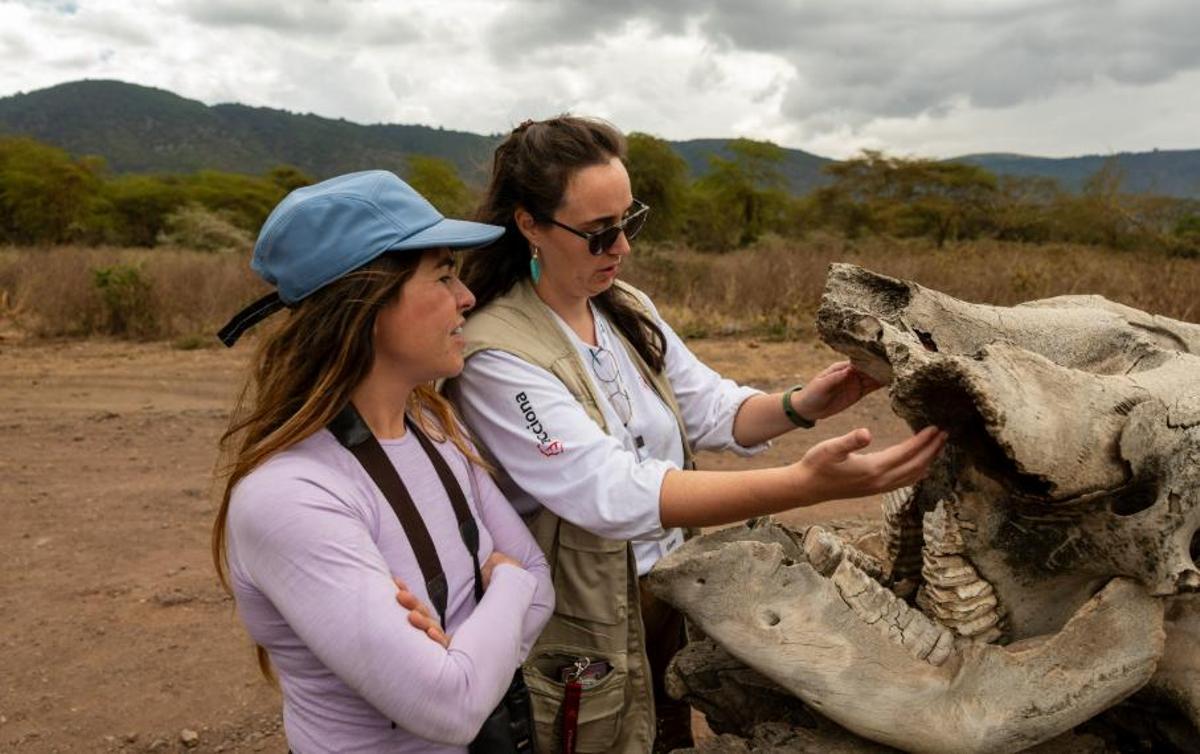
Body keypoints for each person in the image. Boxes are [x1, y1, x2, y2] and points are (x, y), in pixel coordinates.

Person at [448, 116, 947, 753]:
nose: (622, 248)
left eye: (630, 221)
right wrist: (801, 485)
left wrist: (803, 404)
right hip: (582, 617)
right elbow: (611, 493)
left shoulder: (623, 307)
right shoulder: (497, 355)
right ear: (529, 225)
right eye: (600, 234)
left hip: (667, 596)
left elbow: (710, 408)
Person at [212, 170, 554, 753]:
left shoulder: (434, 427)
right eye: (444, 275)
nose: (467, 297)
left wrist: (467, 644)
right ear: (367, 303)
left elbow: (540, 580)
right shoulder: (291, 495)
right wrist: (507, 585)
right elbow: (450, 706)